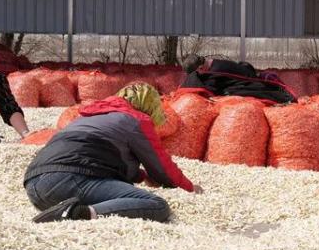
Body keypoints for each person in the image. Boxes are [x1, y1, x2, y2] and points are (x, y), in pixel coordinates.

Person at [24, 82, 201, 223]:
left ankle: (64, 210)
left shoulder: (89, 116)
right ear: (149, 106)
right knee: (156, 205)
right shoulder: (136, 120)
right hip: (68, 180)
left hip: (35, 186)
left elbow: (96, 156)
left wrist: (140, 176)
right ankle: (78, 214)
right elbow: (161, 167)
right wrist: (189, 187)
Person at [179, 54, 296, 103]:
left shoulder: (216, 70)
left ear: (200, 67)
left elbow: (211, 88)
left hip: (250, 82)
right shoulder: (213, 63)